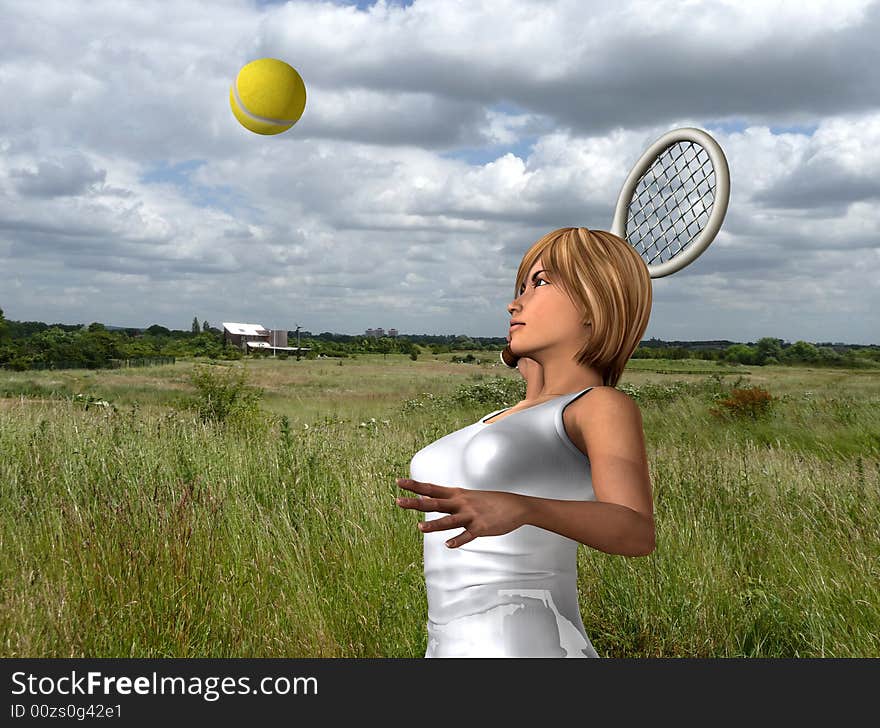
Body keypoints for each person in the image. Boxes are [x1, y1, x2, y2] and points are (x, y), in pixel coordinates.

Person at [395, 227, 655, 658]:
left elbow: (635, 531)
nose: (515, 302)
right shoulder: (503, 417)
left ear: (594, 304)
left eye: (540, 283)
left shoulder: (599, 406)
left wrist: (523, 507)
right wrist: (525, 359)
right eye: (520, 286)